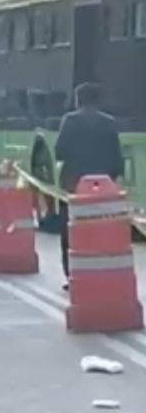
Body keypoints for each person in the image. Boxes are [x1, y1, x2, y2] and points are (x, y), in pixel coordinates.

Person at [55, 82, 124, 284]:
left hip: (74, 186)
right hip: (103, 187)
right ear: (98, 100)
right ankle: (103, 272)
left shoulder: (69, 121)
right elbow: (117, 158)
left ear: (78, 100)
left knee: (71, 230)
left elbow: (60, 151)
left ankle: (73, 274)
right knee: (103, 229)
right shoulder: (108, 122)